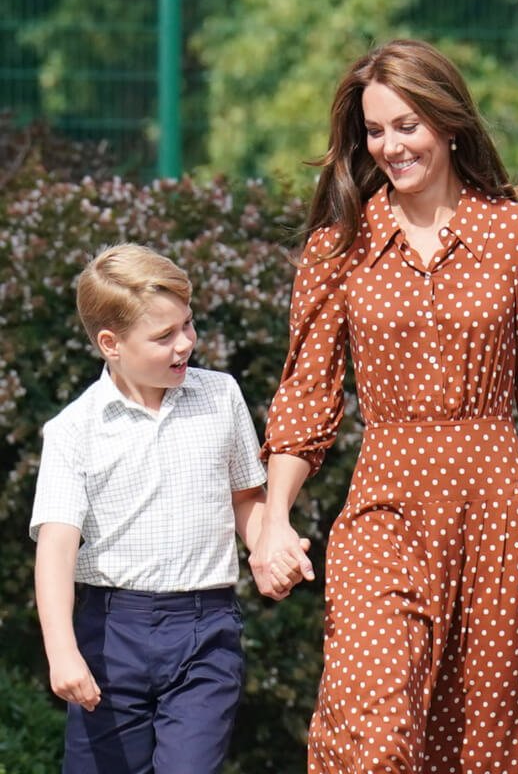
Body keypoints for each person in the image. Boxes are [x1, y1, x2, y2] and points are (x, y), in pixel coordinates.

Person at [249, 39, 518, 773]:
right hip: (383, 506)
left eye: (408, 125)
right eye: (375, 130)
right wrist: (274, 518)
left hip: (494, 510)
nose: (391, 145)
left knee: (484, 738)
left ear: (449, 123)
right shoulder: (338, 249)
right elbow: (306, 393)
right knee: (373, 728)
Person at [30, 244, 309, 773]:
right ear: (110, 344)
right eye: (164, 336)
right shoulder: (74, 430)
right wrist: (62, 650)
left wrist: (271, 544)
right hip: (111, 635)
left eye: (188, 324)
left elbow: (246, 499)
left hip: (206, 630)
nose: (185, 343)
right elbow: (56, 551)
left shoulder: (220, 396)